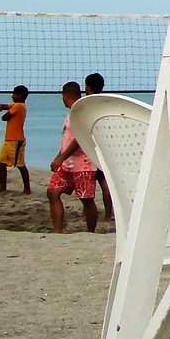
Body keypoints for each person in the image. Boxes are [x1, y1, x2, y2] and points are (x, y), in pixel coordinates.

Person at [48, 81, 99, 233]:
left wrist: (60, 158)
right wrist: (58, 157)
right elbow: (67, 138)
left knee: (86, 199)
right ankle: (58, 231)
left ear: (66, 96)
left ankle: (91, 233)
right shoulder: (71, 113)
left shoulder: (81, 111)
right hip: (67, 163)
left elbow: (78, 139)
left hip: (83, 163)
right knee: (53, 192)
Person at [84, 72, 114, 221]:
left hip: (90, 148)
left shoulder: (86, 104)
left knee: (87, 185)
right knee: (104, 183)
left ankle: (86, 214)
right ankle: (108, 215)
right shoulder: (104, 103)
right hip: (104, 147)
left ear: (88, 87)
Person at [0, 85, 31, 194]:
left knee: (20, 165)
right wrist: (1, 106)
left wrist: (3, 109)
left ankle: (27, 189)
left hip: (16, 140)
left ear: (20, 95)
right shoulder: (17, 106)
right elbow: (7, 106)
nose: (12, 96)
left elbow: (4, 117)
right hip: (8, 140)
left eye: (14, 94)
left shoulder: (19, 106)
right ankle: (2, 188)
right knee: (1, 162)